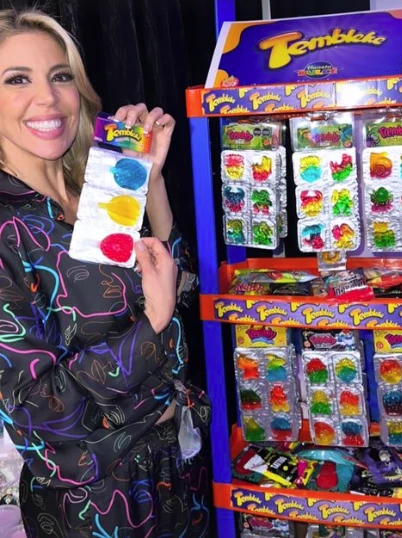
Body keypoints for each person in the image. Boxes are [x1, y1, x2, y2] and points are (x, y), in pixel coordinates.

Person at [0, 8, 211, 538]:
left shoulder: (99, 185)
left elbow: (180, 288)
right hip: (95, 503)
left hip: (178, 471)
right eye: (17, 80)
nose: (47, 98)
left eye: (60, 76)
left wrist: (151, 181)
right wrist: (152, 324)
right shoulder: (6, 229)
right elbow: (36, 409)